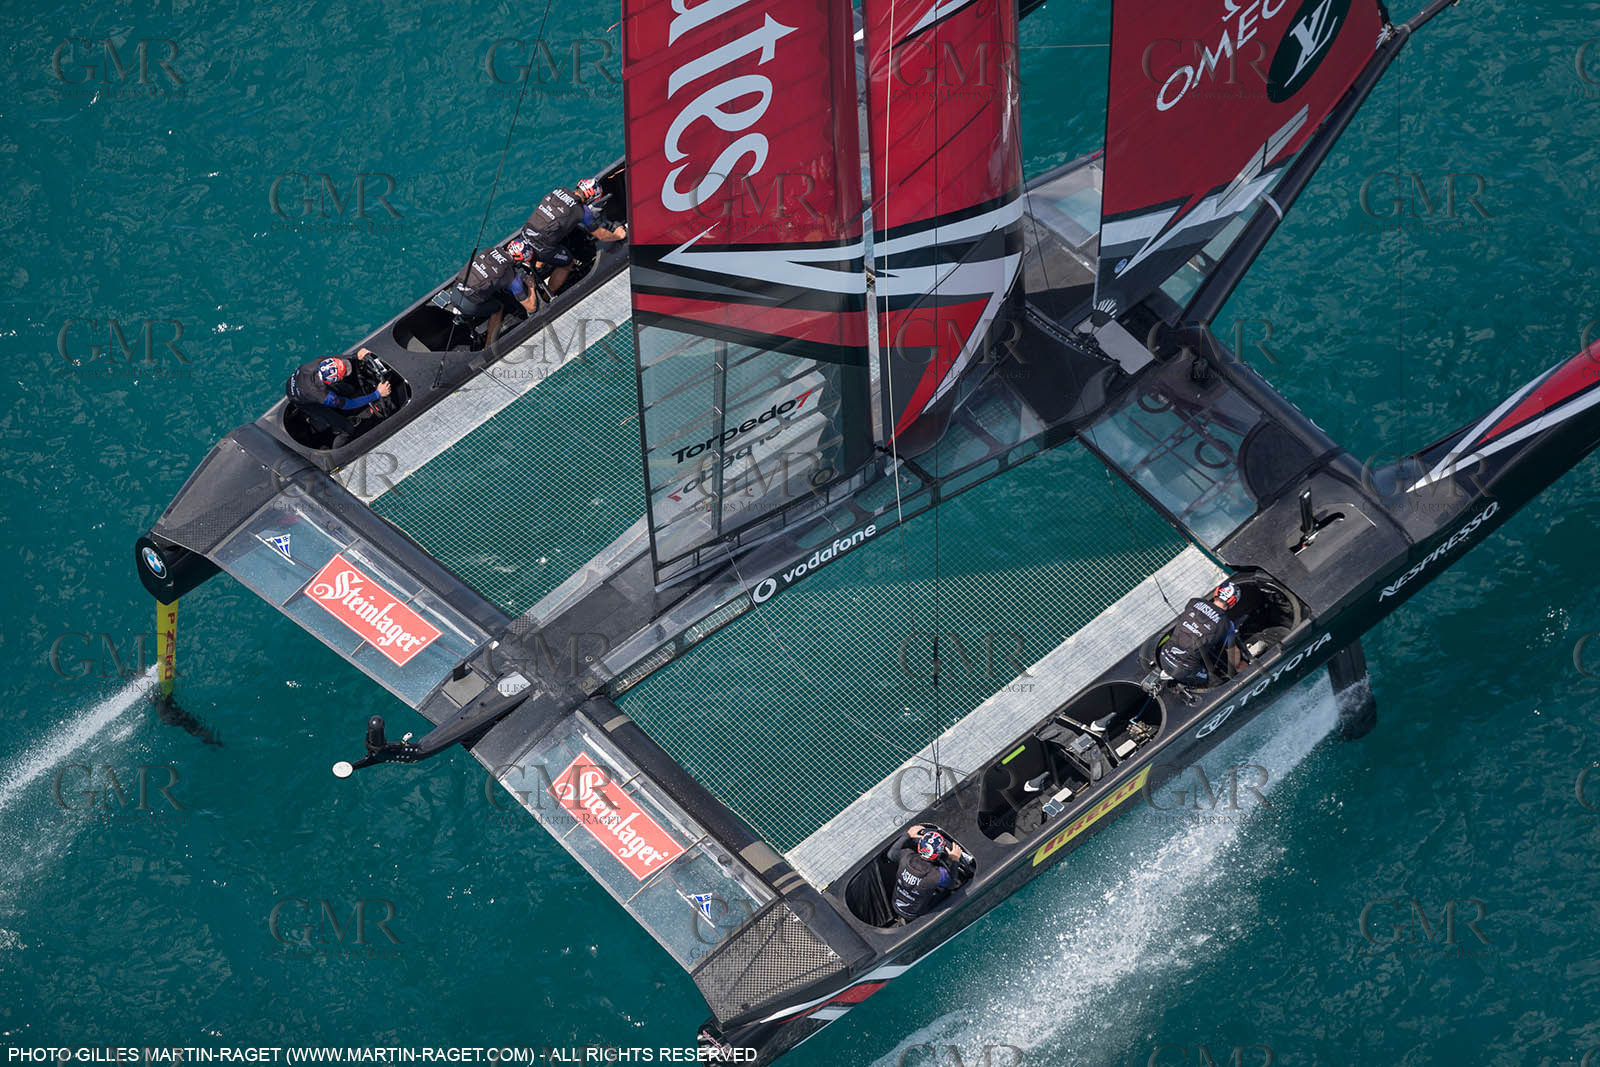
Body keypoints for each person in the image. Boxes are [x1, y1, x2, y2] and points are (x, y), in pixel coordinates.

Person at [521, 176, 627, 294]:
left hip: (525, 234)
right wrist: (618, 235)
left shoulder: (558, 191)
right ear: (591, 197)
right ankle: (547, 296)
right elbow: (602, 236)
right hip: (542, 247)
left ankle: (538, 267)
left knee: (553, 236)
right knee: (567, 263)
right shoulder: (582, 211)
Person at [284, 346, 392, 439]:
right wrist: (377, 394)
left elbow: (335, 358)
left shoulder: (320, 362)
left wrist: (355, 356)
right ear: (332, 381)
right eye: (344, 374)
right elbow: (348, 404)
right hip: (301, 400)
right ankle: (337, 435)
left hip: (300, 383)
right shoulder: (323, 396)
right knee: (347, 428)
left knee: (348, 389)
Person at [450, 236, 540, 347]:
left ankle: (463, 317)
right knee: (498, 308)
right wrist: (531, 286)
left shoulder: (488, 251)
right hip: (470, 305)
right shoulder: (511, 277)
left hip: (455, 292)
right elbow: (531, 307)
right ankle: (489, 345)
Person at [1156, 581, 1248, 688]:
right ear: (1232, 603)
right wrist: (1239, 666)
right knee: (1215, 680)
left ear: (1216, 593)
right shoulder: (1226, 625)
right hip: (1184, 670)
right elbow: (1233, 654)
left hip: (1164, 656)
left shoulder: (1193, 602)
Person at [888, 825, 971, 922]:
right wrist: (955, 860)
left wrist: (907, 835)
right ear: (939, 853)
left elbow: (891, 854)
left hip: (896, 904)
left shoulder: (906, 856)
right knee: (950, 892)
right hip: (916, 914)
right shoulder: (938, 874)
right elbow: (952, 884)